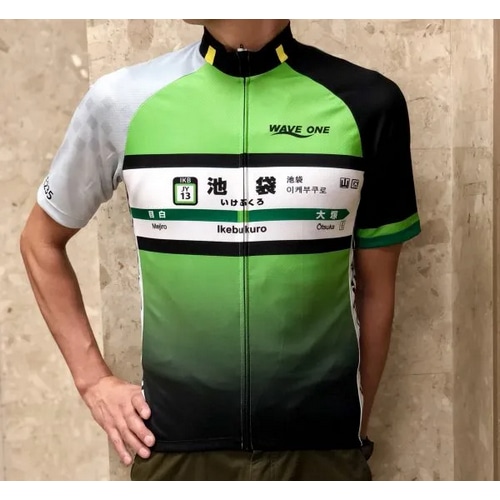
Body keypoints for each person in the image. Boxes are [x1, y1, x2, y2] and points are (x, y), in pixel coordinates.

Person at [20, 19, 421, 481]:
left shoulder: (368, 103)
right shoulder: (122, 102)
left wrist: (352, 428)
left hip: (322, 453)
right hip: (176, 452)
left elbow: (376, 288)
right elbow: (40, 242)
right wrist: (93, 381)